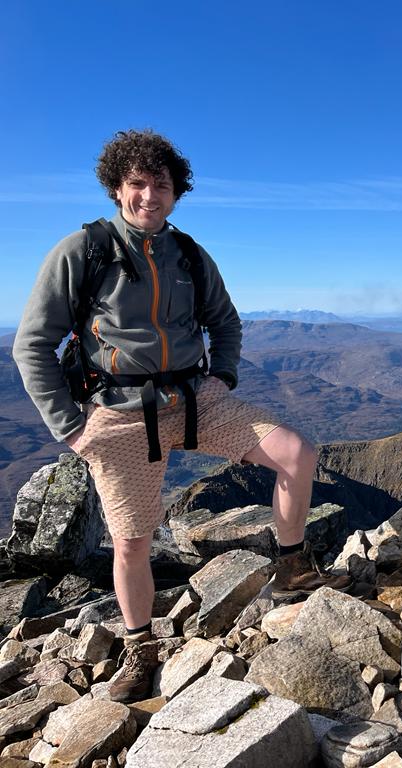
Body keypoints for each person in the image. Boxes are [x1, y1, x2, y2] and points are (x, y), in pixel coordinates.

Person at [13, 129, 347, 702]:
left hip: (197, 399)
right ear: (117, 189)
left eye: (160, 185)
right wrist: (70, 426)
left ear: (176, 192)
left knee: (297, 452)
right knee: (132, 543)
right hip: (116, 413)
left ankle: (291, 568)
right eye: (137, 184)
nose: (148, 196)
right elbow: (32, 343)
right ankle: (141, 650)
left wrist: (224, 375)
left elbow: (227, 322)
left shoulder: (189, 254)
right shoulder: (82, 251)